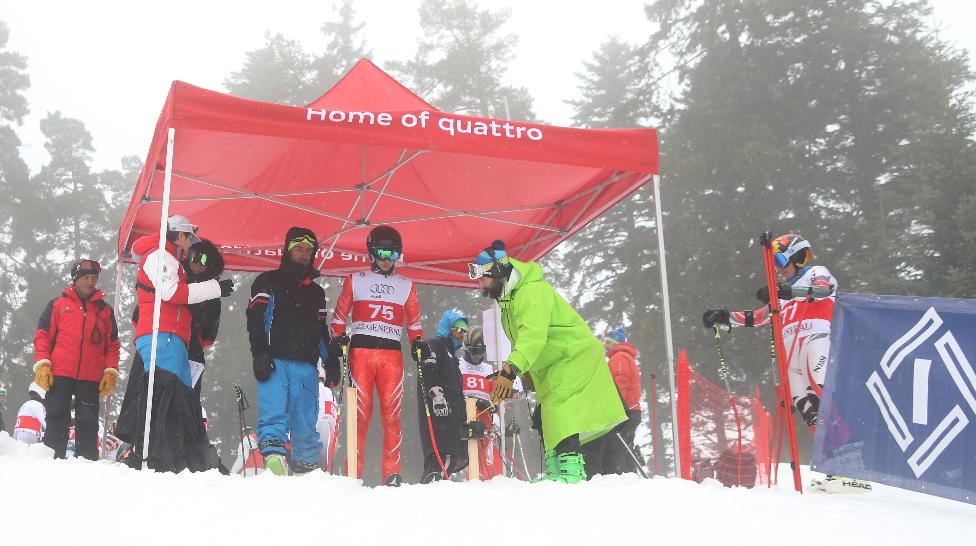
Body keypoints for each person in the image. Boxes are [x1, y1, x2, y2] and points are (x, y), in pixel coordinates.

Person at [468, 240, 626, 483]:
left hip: (573, 357)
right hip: (554, 363)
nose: (480, 285)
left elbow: (533, 337)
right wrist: (527, 372)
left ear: (498, 272)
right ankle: (556, 472)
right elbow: (529, 341)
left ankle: (571, 473)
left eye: (482, 278)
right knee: (543, 416)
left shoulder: (531, 292)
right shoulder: (510, 300)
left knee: (559, 410)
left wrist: (510, 372)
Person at [129, 215, 234, 471]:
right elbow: (172, 293)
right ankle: (157, 456)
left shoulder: (169, 257)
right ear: (179, 235)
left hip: (175, 337)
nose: (191, 249)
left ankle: (174, 456)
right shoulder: (159, 255)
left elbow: (208, 331)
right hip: (162, 334)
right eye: (189, 240)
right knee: (164, 394)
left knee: (178, 397)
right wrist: (214, 289)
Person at [702, 233, 836, 429]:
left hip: (814, 338)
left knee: (818, 392)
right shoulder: (782, 293)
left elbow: (823, 290)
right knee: (805, 406)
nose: (779, 269)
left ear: (797, 257)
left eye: (780, 261)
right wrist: (724, 316)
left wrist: (790, 292)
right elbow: (760, 317)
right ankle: (826, 443)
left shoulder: (815, 272)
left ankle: (843, 436)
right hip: (790, 352)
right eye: (775, 264)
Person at [330, 225, 424, 487]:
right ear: (371, 252)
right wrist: (338, 337)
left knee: (392, 417)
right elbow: (339, 318)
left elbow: (414, 325)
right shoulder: (356, 279)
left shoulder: (406, 285)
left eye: (392, 253)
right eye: (381, 252)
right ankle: (353, 473)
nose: (386, 259)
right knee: (360, 416)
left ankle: (392, 473)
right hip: (361, 354)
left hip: (391, 357)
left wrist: (418, 343)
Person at [246, 227, 337, 476]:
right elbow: (255, 320)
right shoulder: (267, 281)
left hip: (306, 366)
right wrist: (259, 354)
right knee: (273, 412)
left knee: (306, 419)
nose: (304, 254)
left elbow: (321, 331)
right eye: (299, 248)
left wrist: (330, 362)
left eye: (309, 250)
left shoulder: (316, 293)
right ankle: (274, 458)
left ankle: (305, 465)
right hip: (275, 361)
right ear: (287, 250)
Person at [32, 259, 121, 460]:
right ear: (75, 279)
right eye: (86, 277)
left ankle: (86, 463)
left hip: (90, 376)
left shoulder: (105, 311)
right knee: (56, 417)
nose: (90, 282)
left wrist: (111, 371)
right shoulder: (57, 305)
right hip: (60, 374)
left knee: (88, 422)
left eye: (94, 278)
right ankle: (52, 459)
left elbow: (113, 344)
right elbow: (42, 336)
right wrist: (43, 362)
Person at [458, 326, 519, 480]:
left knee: (488, 456)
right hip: (463, 416)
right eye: (472, 351)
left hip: (484, 419)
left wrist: (495, 406)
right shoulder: (458, 365)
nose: (476, 356)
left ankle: (488, 481)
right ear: (466, 348)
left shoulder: (488, 369)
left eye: (480, 352)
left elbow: (497, 396)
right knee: (466, 454)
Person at [417, 310, 468, 483]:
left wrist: (463, 417)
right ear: (448, 328)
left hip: (452, 416)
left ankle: (433, 488)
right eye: (458, 329)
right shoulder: (435, 345)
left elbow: (458, 392)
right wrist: (436, 395)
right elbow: (427, 370)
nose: (461, 334)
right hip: (439, 415)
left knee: (449, 459)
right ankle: (430, 488)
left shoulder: (452, 356)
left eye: (464, 331)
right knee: (441, 458)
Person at [603, 327, 643, 475]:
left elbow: (620, 384)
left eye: (608, 342)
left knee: (615, 450)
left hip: (625, 410)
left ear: (616, 343)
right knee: (625, 450)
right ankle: (630, 477)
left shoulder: (619, 358)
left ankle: (620, 478)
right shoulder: (624, 357)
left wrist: (615, 409)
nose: (605, 345)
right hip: (631, 410)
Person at [316, 365, 338, 469]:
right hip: (327, 433)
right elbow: (333, 419)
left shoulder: (306, 389)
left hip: (311, 433)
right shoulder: (329, 393)